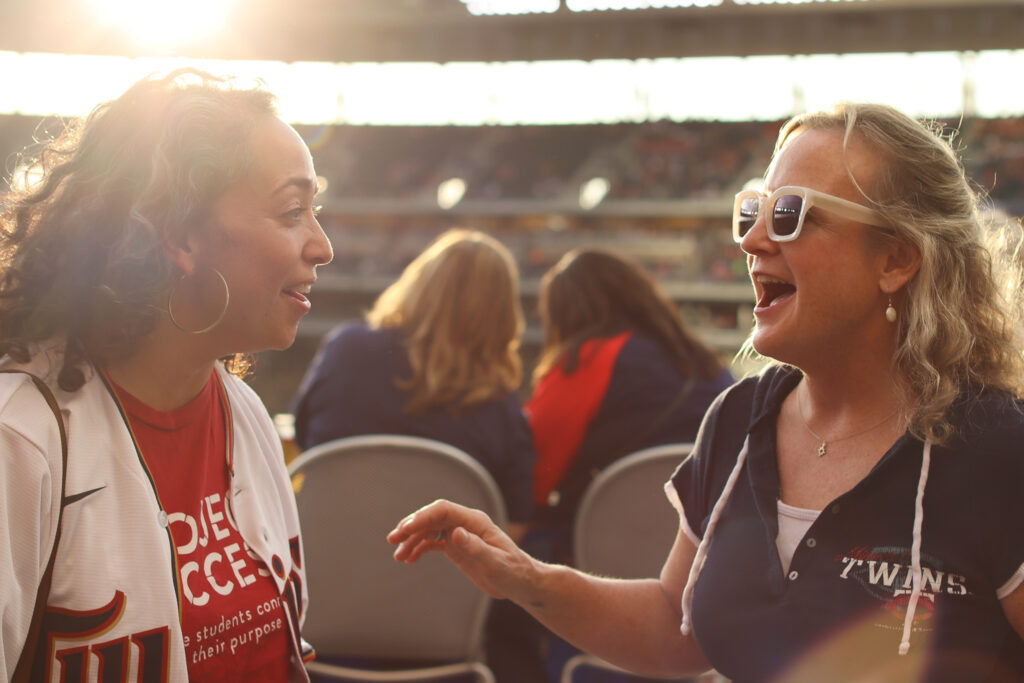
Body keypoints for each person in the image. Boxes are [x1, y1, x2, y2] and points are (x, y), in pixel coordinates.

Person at [387, 101, 1024, 682]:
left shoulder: (997, 449)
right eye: (751, 211)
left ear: (895, 260)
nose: (750, 240)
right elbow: (675, 625)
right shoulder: (741, 419)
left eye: (789, 214)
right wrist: (525, 578)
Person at [0, 69, 333, 681]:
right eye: (292, 211)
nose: (322, 246)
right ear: (182, 237)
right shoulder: (18, 440)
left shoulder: (245, 412)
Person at [527, 246, 734, 563]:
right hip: (711, 555)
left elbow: (534, 477)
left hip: (608, 556)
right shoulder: (705, 361)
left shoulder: (586, 360)